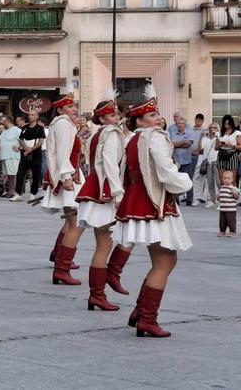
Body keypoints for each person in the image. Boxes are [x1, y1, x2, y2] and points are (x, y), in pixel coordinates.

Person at [114, 84, 192, 338]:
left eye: (157, 113)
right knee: (165, 261)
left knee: (163, 260)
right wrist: (185, 183)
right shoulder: (154, 138)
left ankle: (141, 312)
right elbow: (166, 171)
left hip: (139, 203)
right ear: (139, 121)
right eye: (152, 115)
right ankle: (146, 317)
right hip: (155, 205)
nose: (158, 118)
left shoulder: (133, 139)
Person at [75, 92, 125, 311]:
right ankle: (98, 293)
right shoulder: (112, 133)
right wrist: (117, 193)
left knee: (103, 244)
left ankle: (97, 293)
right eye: (111, 114)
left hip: (96, 186)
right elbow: (110, 164)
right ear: (103, 118)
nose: (116, 117)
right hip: (104, 189)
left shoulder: (98, 134)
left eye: (116, 114)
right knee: (105, 244)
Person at [42, 89, 84, 285]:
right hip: (68, 177)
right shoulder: (64, 124)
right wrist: (66, 177)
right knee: (74, 223)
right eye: (69, 106)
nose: (74, 109)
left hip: (67, 175)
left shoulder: (62, 124)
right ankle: (62, 267)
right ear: (59, 110)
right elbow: (61, 153)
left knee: (70, 221)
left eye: (74, 105)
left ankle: (59, 257)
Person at [16, 109, 46, 202]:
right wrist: (25, 148)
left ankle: (33, 193)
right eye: (29, 115)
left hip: (36, 154)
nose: (30, 116)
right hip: (25, 153)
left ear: (37, 116)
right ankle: (18, 193)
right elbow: (20, 139)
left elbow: (41, 141)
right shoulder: (25, 127)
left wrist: (31, 149)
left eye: (32, 115)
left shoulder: (40, 128)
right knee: (20, 173)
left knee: (36, 174)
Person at [170, 117, 195, 206]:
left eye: (182, 123)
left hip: (186, 161)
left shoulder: (190, 132)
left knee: (189, 180)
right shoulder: (172, 133)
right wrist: (183, 142)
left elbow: (188, 144)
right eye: (179, 123)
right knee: (175, 180)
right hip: (175, 161)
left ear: (185, 125)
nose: (180, 125)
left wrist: (177, 144)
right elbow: (170, 145)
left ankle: (189, 200)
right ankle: (176, 200)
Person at [0, 116, 21, 201]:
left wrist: (19, 147)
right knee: (9, 175)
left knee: (13, 174)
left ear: (8, 121)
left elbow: (24, 140)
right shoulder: (5, 132)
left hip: (12, 155)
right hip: (5, 156)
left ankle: (15, 192)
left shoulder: (17, 130)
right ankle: (10, 192)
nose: (2, 123)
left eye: (3, 121)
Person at [193, 123, 219, 207]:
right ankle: (198, 198)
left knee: (213, 182)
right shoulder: (205, 138)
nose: (212, 129)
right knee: (201, 180)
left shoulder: (219, 138)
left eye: (214, 128)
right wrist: (201, 137)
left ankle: (211, 199)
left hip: (215, 161)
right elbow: (200, 148)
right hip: (206, 161)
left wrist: (217, 136)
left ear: (217, 129)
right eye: (211, 127)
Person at [215, 115, 240, 185]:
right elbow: (215, 148)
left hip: (232, 154)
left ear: (231, 123)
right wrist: (220, 145)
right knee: (222, 180)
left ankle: (235, 195)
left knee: (233, 180)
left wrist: (231, 145)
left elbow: (240, 147)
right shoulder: (220, 133)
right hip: (221, 154)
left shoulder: (236, 132)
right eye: (225, 124)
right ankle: (224, 194)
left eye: (228, 124)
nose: (227, 126)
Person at [217, 171, 238, 237]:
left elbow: (236, 197)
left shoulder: (233, 188)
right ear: (222, 179)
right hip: (223, 208)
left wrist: (234, 193)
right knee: (222, 221)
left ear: (232, 179)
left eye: (228, 178)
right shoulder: (222, 188)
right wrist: (218, 196)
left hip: (231, 209)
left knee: (231, 221)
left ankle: (232, 231)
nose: (226, 180)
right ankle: (222, 231)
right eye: (225, 178)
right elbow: (220, 197)